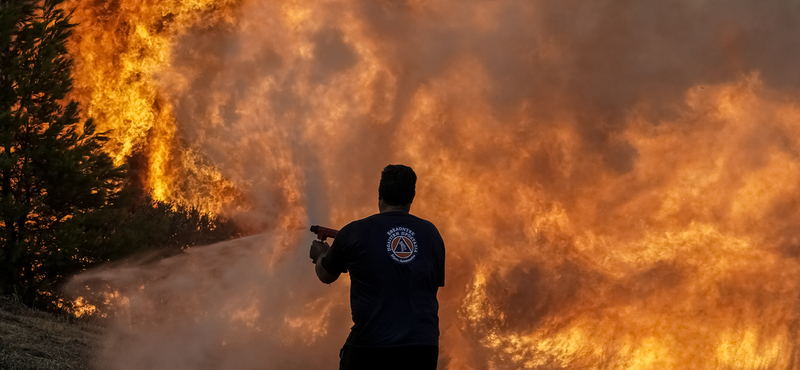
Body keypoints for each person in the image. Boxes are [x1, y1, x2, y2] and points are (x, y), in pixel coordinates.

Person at [310, 164, 446, 370]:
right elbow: (431, 285)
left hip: (370, 347)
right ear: (412, 197)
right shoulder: (431, 234)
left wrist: (321, 254)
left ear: (379, 195)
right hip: (422, 349)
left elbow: (326, 275)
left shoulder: (355, 232)